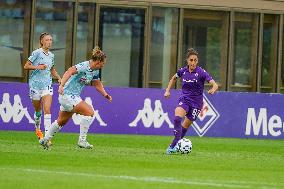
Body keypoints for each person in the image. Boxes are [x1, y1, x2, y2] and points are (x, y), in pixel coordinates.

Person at [39, 46, 112, 150]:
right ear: (99, 61)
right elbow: (69, 71)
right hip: (67, 94)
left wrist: (105, 95)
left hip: (72, 97)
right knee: (89, 112)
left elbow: (97, 84)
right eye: (103, 63)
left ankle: (45, 140)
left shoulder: (95, 71)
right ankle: (82, 140)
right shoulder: (84, 66)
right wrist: (61, 85)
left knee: (61, 121)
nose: (103, 65)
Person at [164, 48, 218, 154]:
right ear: (187, 61)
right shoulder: (182, 71)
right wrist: (167, 91)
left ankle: (175, 145)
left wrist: (213, 89)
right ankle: (173, 144)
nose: (193, 62)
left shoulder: (201, 72)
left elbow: (214, 84)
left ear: (197, 61)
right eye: (191, 60)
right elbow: (173, 78)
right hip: (184, 100)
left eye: (195, 60)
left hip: (196, 104)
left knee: (184, 127)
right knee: (177, 119)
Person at [24, 32, 61, 141]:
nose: (49, 42)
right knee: (38, 111)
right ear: (42, 41)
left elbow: (52, 69)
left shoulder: (51, 55)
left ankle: (47, 137)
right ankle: (37, 128)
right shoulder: (36, 53)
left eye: (51, 40)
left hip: (47, 85)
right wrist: (38, 67)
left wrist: (59, 78)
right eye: (47, 40)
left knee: (47, 109)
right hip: (35, 85)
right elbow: (26, 66)